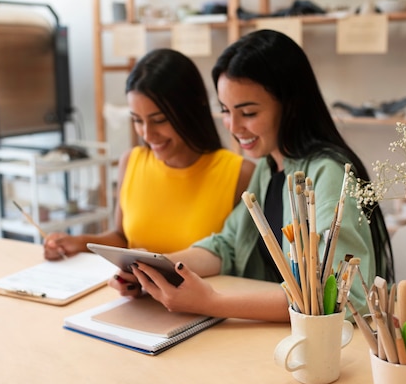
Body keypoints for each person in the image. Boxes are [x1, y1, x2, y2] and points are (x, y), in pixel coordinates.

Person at [110, 30, 393, 322]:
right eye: (225, 111)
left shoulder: (328, 173)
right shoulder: (269, 167)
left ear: (290, 105)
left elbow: (337, 296)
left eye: (248, 113)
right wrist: (157, 269)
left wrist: (212, 303)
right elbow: (227, 246)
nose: (233, 126)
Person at [43, 48, 254, 259]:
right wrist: (78, 243)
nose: (147, 134)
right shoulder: (131, 161)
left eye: (159, 120)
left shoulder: (240, 174)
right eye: (137, 120)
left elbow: (237, 261)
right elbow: (122, 238)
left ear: (191, 109)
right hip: (136, 291)